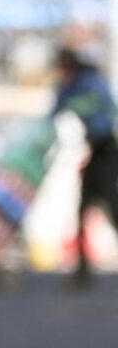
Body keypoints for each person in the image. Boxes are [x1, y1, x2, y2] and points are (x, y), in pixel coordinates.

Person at [50, 47, 118, 287]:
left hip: (107, 152)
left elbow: (107, 111)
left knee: (112, 208)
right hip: (94, 152)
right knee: (83, 210)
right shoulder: (68, 88)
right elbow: (54, 114)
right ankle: (82, 270)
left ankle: (83, 271)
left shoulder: (91, 83)